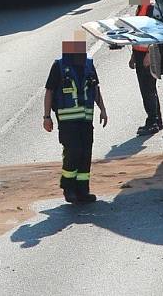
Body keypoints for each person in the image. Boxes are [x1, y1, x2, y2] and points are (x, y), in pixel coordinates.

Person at [43, 32, 107, 204]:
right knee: (74, 152)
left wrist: (103, 110)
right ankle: (68, 188)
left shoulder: (88, 65)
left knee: (85, 153)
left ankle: (83, 190)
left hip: (86, 120)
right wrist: (47, 117)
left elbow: (95, 89)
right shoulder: (59, 66)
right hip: (67, 121)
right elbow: (49, 91)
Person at [129, 0, 162, 136]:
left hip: (147, 55)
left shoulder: (150, 9)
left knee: (148, 90)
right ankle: (157, 121)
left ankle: (153, 122)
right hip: (139, 54)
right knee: (149, 89)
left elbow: (155, 34)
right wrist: (133, 56)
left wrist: (149, 54)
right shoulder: (140, 8)